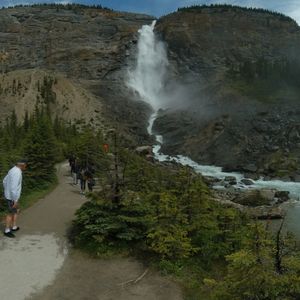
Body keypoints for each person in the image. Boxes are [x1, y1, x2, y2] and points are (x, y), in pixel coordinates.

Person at [2, 159, 27, 238]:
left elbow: (4, 181)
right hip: (12, 197)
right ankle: (7, 230)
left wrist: (6, 190)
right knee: (10, 213)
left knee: (15, 211)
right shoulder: (17, 172)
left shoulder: (12, 170)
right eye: (25, 165)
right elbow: (13, 188)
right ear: (22, 165)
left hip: (10, 195)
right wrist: (15, 200)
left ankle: (14, 227)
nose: (26, 167)